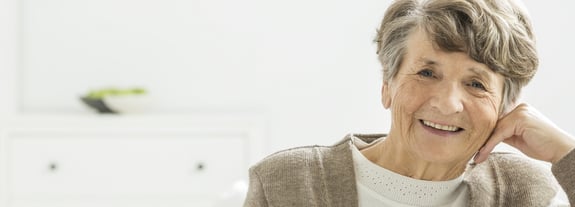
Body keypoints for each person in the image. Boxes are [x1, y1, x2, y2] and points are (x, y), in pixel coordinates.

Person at [243, 0, 575, 206]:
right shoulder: (288, 183)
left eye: (476, 84)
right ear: (387, 84)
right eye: (427, 73)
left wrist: (567, 153)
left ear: (504, 106)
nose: (447, 104)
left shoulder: (523, 191)